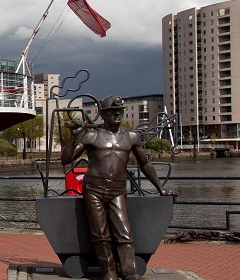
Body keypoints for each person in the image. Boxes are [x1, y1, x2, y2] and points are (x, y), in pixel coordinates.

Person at [61, 95, 176, 280]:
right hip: (94, 190)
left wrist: (160, 188)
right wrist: (73, 137)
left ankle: (129, 271)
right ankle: (109, 271)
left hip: (117, 190)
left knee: (124, 232)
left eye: (120, 111)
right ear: (103, 115)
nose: (117, 114)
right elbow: (66, 160)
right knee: (100, 234)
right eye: (112, 111)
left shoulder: (131, 137)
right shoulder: (92, 135)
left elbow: (145, 164)